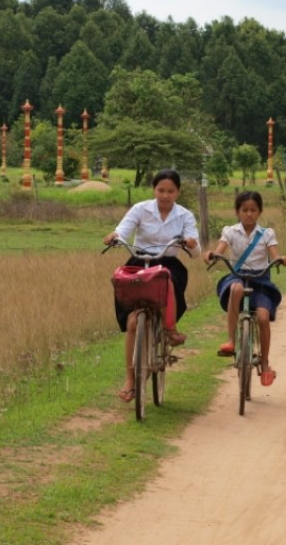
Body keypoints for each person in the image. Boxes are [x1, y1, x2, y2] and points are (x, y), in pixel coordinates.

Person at [103, 169, 200, 403]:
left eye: (170, 191)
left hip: (167, 263)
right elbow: (124, 230)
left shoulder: (185, 215)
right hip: (140, 261)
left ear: (178, 192)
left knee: (166, 276)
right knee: (133, 321)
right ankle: (129, 378)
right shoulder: (140, 209)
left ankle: (169, 328)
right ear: (154, 190)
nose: (165, 195)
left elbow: (195, 251)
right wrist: (114, 236)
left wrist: (190, 242)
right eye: (161, 190)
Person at [204, 191, 286, 386]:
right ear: (237, 212)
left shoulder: (267, 234)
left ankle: (265, 363)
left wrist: (280, 259)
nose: (249, 214)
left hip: (260, 280)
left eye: (253, 210)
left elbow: (274, 254)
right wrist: (212, 255)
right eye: (244, 210)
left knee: (263, 317)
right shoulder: (230, 232)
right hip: (238, 275)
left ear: (259, 212)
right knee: (235, 289)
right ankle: (231, 340)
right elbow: (220, 249)